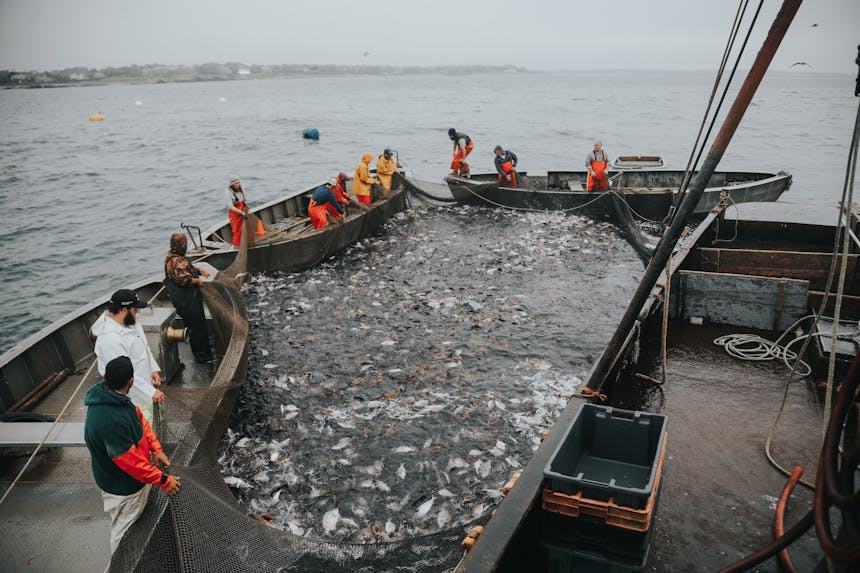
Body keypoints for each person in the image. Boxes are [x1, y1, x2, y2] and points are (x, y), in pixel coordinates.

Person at [84, 356, 180, 555]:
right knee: (122, 529)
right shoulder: (110, 420)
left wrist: (157, 449)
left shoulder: (113, 396)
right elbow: (132, 464)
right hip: (122, 487)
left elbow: (140, 419)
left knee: (133, 519)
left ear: (105, 377)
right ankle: (120, 565)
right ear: (131, 381)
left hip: (134, 478)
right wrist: (163, 480)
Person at [91, 289, 165, 424]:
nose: (137, 311)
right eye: (135, 308)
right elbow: (122, 376)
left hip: (144, 387)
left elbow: (144, 347)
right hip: (132, 399)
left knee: (150, 430)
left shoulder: (131, 322)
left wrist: (152, 369)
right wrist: (150, 392)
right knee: (141, 433)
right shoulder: (110, 340)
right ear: (124, 310)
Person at [163, 233, 213, 364]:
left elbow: (183, 267)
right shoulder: (178, 261)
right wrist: (198, 282)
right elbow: (185, 280)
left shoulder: (170, 256)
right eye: (184, 244)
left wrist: (198, 269)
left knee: (192, 325)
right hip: (188, 300)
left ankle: (201, 351)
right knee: (197, 327)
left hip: (179, 299)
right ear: (182, 245)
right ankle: (202, 357)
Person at [227, 174, 249, 247]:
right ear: (231, 185)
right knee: (237, 232)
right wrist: (241, 212)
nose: (238, 184)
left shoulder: (241, 189)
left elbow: (244, 199)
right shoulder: (228, 193)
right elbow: (230, 206)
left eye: (238, 182)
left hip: (243, 210)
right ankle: (237, 247)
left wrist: (244, 209)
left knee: (246, 228)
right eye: (235, 183)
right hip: (235, 215)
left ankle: (246, 242)